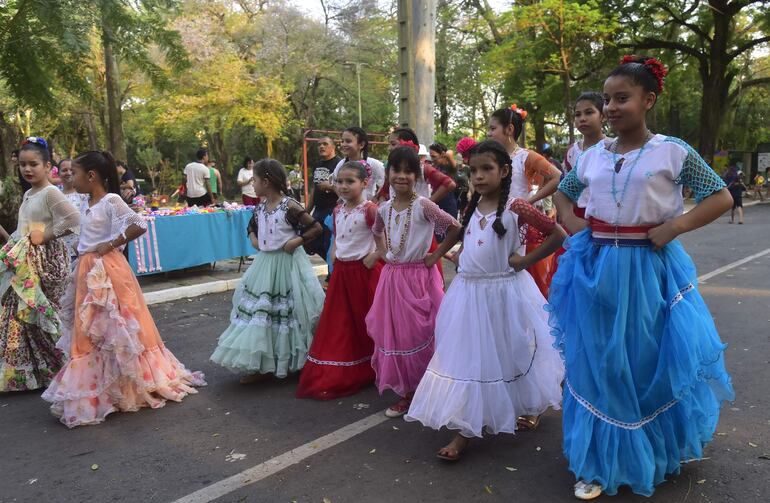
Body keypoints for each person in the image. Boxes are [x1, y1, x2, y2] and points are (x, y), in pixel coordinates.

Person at [551, 55, 734, 500]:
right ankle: (598, 462)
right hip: (595, 269)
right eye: (608, 99)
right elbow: (564, 192)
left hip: (648, 269)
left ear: (648, 99)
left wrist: (676, 226)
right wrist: (577, 230)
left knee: (643, 359)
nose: (612, 108)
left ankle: (651, 449)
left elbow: (721, 196)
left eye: (622, 98)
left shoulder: (672, 150)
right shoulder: (593, 155)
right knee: (600, 360)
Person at [405, 140, 566, 460]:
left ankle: (527, 405)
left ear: (504, 171)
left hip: (505, 293)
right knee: (471, 357)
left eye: (486, 169)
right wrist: (460, 258)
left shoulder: (517, 206)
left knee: (511, 352)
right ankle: (465, 431)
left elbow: (558, 234)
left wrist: (524, 259)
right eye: (473, 170)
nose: (478, 176)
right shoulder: (471, 206)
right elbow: (472, 243)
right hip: (468, 294)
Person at [41, 151, 205, 427]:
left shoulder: (111, 200)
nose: (71, 178)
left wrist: (113, 242)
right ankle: (103, 384)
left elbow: (138, 224)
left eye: (76, 173)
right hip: (86, 269)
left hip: (108, 270)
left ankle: (129, 382)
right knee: (91, 330)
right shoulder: (84, 201)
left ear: (91, 176)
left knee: (117, 328)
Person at [365, 146, 462, 418]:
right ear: (389, 174)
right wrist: (383, 254)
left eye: (409, 171)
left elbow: (454, 226)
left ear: (417, 175)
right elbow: (376, 231)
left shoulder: (424, 205)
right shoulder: (383, 208)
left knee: (422, 332)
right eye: (397, 170)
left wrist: (437, 255)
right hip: (392, 280)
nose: (402, 176)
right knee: (396, 335)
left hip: (419, 279)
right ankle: (407, 392)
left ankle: (429, 388)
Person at [210, 159, 325, 383]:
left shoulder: (289, 205)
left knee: (289, 313)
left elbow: (316, 227)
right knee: (260, 314)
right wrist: (254, 238)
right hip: (265, 264)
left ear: (266, 181)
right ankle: (260, 364)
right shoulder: (260, 207)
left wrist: (297, 241)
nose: (252, 184)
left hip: (287, 264)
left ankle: (294, 361)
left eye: (254, 180)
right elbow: (252, 225)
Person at [297, 161, 382, 399]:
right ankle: (349, 364)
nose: (343, 186)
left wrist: (374, 256)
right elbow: (337, 236)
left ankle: (375, 365)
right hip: (342, 273)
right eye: (339, 182)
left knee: (366, 321)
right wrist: (333, 252)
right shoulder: (337, 210)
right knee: (341, 323)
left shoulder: (370, 210)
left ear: (364, 183)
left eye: (350, 182)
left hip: (364, 273)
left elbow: (383, 242)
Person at [0, 137, 80, 392]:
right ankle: (35, 373)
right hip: (24, 261)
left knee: (42, 316)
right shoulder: (28, 193)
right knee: (22, 319)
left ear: (48, 167)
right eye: (23, 164)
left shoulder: (50, 192)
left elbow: (74, 219)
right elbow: (25, 230)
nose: (27, 169)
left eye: (33, 164)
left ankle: (64, 367)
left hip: (45, 262)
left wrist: (45, 236)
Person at [487, 105, 562, 297]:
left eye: (492, 128)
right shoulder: (491, 158)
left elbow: (556, 176)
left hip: (520, 226)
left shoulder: (525, 157)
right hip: (495, 223)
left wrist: (530, 200)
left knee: (526, 285)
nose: (488, 133)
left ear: (509, 129)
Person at [306, 136, 342, 278]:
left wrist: (330, 186)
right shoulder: (318, 164)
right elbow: (314, 189)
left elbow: (345, 187)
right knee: (311, 241)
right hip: (318, 210)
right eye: (319, 144)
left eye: (325, 144)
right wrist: (307, 211)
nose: (321, 147)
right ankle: (332, 267)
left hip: (332, 209)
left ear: (333, 147)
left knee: (329, 243)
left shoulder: (339, 164)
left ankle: (331, 274)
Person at [332, 127, 385, 201]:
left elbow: (384, 184)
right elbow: (334, 183)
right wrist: (342, 199)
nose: (343, 144)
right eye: (342, 141)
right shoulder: (341, 164)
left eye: (348, 141)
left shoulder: (374, 164)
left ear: (361, 144)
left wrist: (375, 199)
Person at [58, 158, 88, 262]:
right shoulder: (54, 195)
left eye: (72, 170)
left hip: (80, 250)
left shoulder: (85, 195)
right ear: (58, 174)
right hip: (59, 252)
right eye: (64, 170)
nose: (68, 173)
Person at [428, 142, 459, 220]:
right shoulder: (435, 167)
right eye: (431, 156)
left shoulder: (450, 167)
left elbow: (449, 153)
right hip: (436, 203)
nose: (432, 159)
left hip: (448, 204)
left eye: (434, 156)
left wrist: (445, 155)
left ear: (442, 154)